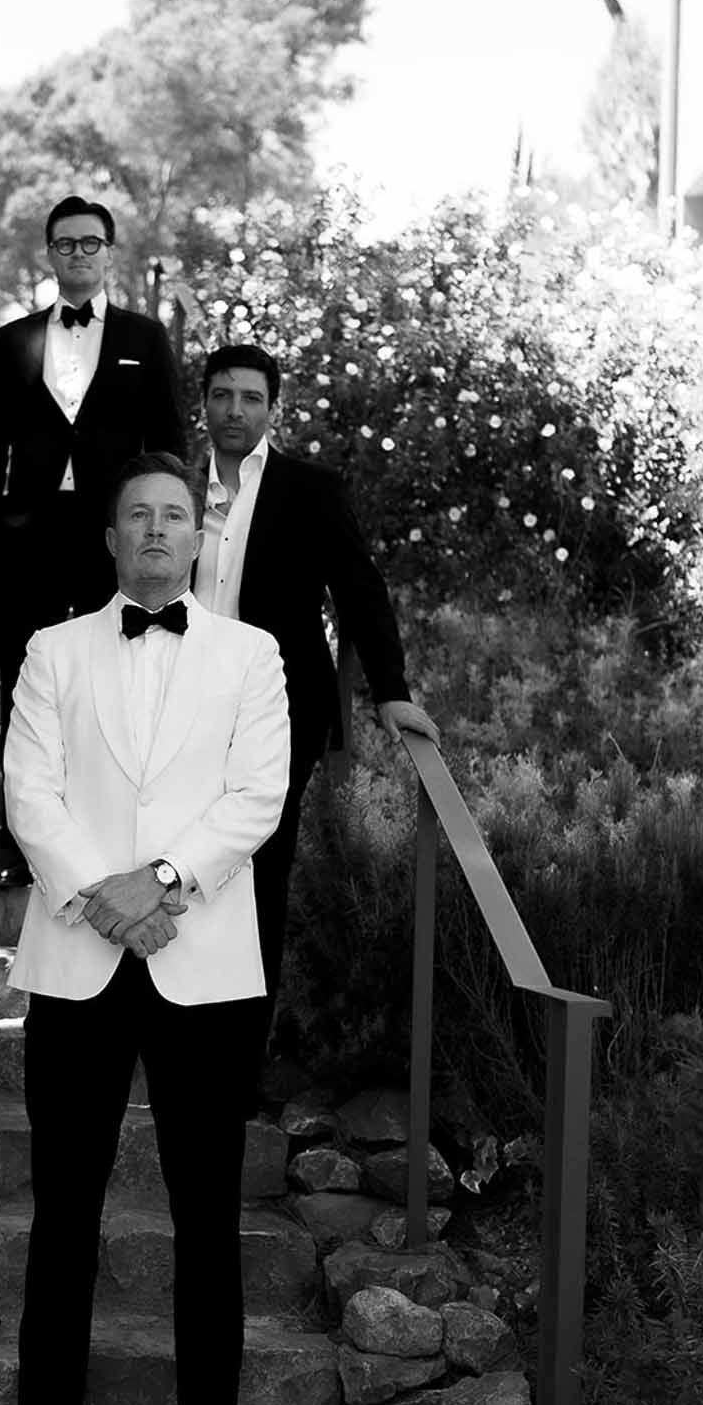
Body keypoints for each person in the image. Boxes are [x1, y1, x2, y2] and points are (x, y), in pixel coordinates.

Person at [0, 452, 289, 1405]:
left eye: (174, 515)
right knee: (65, 1203)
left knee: (206, 1209)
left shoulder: (253, 654)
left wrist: (156, 882)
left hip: (203, 959)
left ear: (198, 537)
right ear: (109, 539)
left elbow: (256, 798)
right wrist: (96, 897)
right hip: (77, 952)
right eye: (136, 515)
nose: (156, 530)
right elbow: (29, 791)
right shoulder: (51, 649)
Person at [195, 343, 438, 999]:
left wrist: (391, 692)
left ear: (273, 409)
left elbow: (360, 590)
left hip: (278, 706)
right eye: (222, 395)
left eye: (250, 397)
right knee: (179, 853)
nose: (234, 410)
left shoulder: (310, 490)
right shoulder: (178, 489)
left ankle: (243, 1044)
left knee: (261, 864)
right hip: (179, 705)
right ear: (204, 404)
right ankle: (175, 1028)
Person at [0, 195, 189, 885]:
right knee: (28, 682)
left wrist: (164, 528)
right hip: (27, 534)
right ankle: (24, 843)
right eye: (65, 244)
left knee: (114, 677)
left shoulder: (146, 339)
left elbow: (170, 444)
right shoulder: (12, 340)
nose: (78, 254)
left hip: (113, 536)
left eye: (90, 243)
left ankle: (108, 830)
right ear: (50, 254)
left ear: (109, 252)